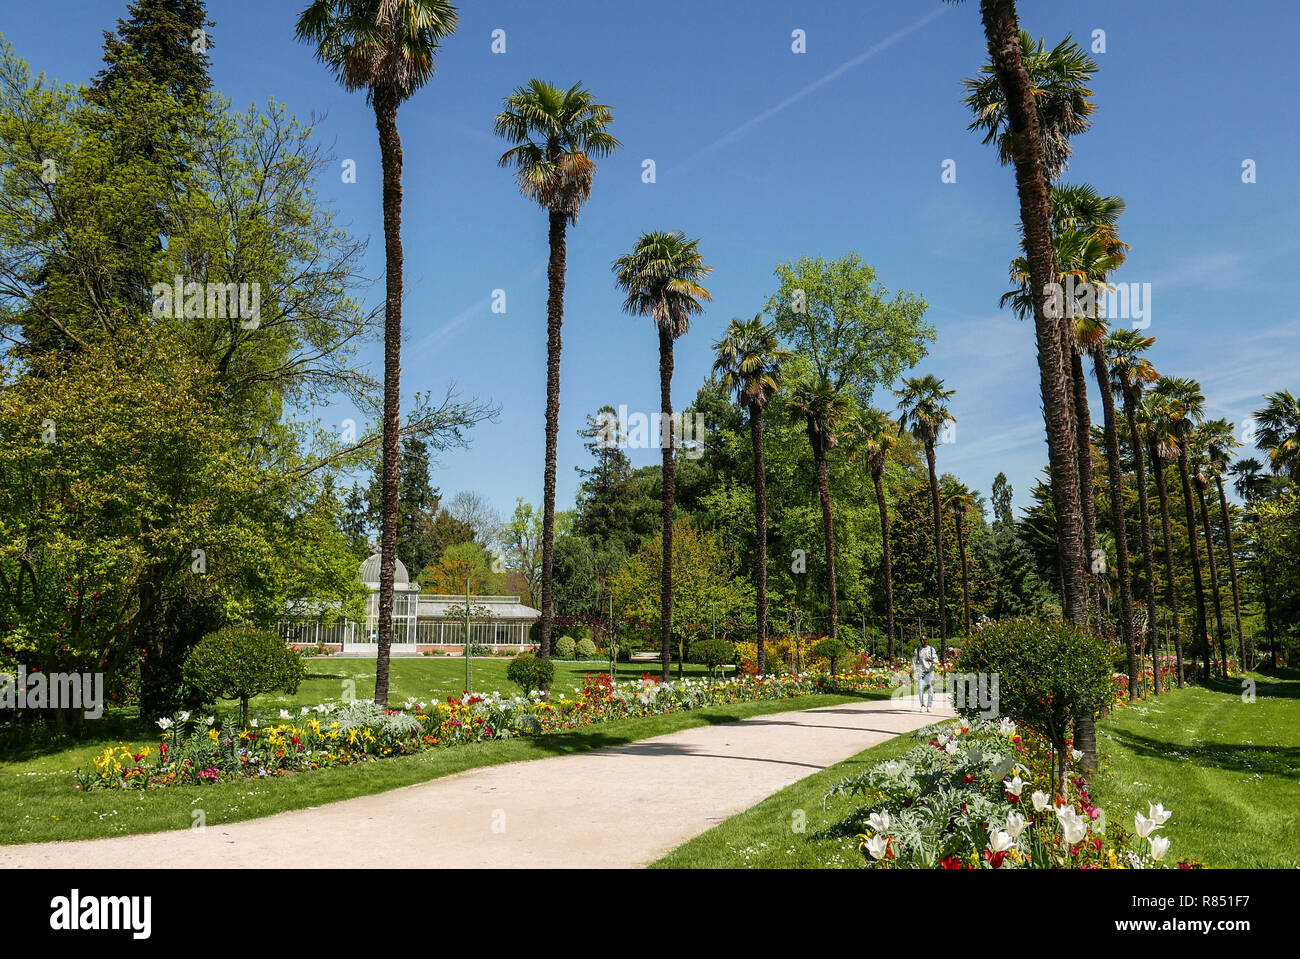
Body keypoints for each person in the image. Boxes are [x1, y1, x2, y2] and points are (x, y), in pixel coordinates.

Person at [913, 638, 938, 712]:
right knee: (920, 689)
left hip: (930, 672)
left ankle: (929, 706)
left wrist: (932, 660)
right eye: (921, 640)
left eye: (925, 639)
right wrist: (912, 671)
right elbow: (914, 661)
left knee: (930, 690)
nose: (923, 641)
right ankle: (922, 705)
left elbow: (936, 660)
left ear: (927, 640)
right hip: (921, 672)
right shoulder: (917, 650)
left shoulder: (931, 649)